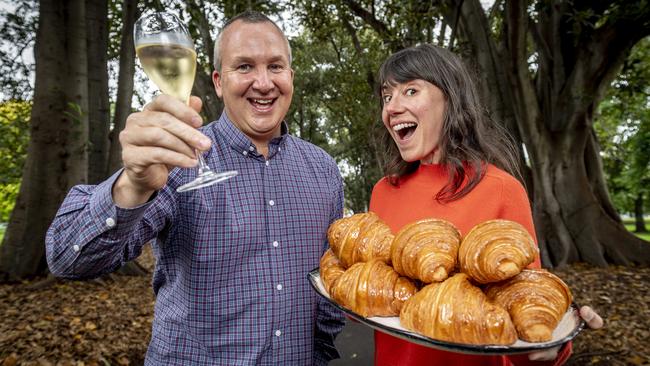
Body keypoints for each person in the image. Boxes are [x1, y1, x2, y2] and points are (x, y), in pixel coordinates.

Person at [45, 11, 345, 365]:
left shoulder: (323, 168)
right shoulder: (174, 160)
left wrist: (322, 354)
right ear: (218, 81)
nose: (263, 83)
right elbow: (68, 259)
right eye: (245, 66)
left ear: (291, 77)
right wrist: (133, 185)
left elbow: (330, 277)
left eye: (275, 67)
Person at [369, 44, 604, 366]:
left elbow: (524, 311)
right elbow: (369, 303)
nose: (392, 107)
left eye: (410, 91)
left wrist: (551, 347)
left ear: (451, 99)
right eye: (387, 96)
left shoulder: (501, 190)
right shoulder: (384, 192)